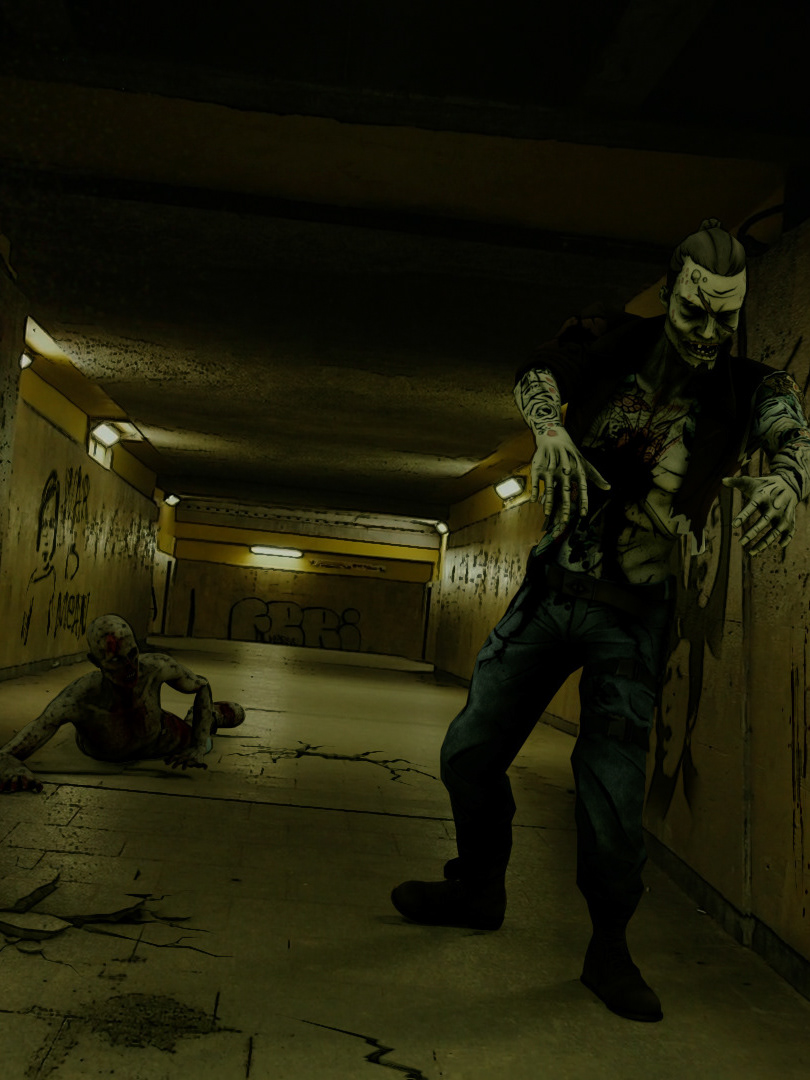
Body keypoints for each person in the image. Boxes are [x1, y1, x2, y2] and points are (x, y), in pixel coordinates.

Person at [391, 219, 810, 1023]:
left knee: (611, 798)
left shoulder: (746, 388)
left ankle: (609, 948)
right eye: (694, 310)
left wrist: (789, 479)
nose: (709, 332)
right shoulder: (615, 343)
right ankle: (478, 887)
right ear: (671, 290)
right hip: (551, 594)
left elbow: (789, 425)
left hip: (634, 617)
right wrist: (548, 429)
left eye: (726, 316)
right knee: (469, 752)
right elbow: (538, 372)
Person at [0, 614, 245, 793]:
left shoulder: (155, 668)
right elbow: (9, 752)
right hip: (132, 740)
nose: (130, 668)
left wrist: (199, 745)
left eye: (133, 655)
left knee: (235, 713)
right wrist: (13, 769)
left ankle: (210, 716)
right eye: (117, 660)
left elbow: (201, 685)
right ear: (95, 661)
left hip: (163, 737)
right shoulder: (77, 699)